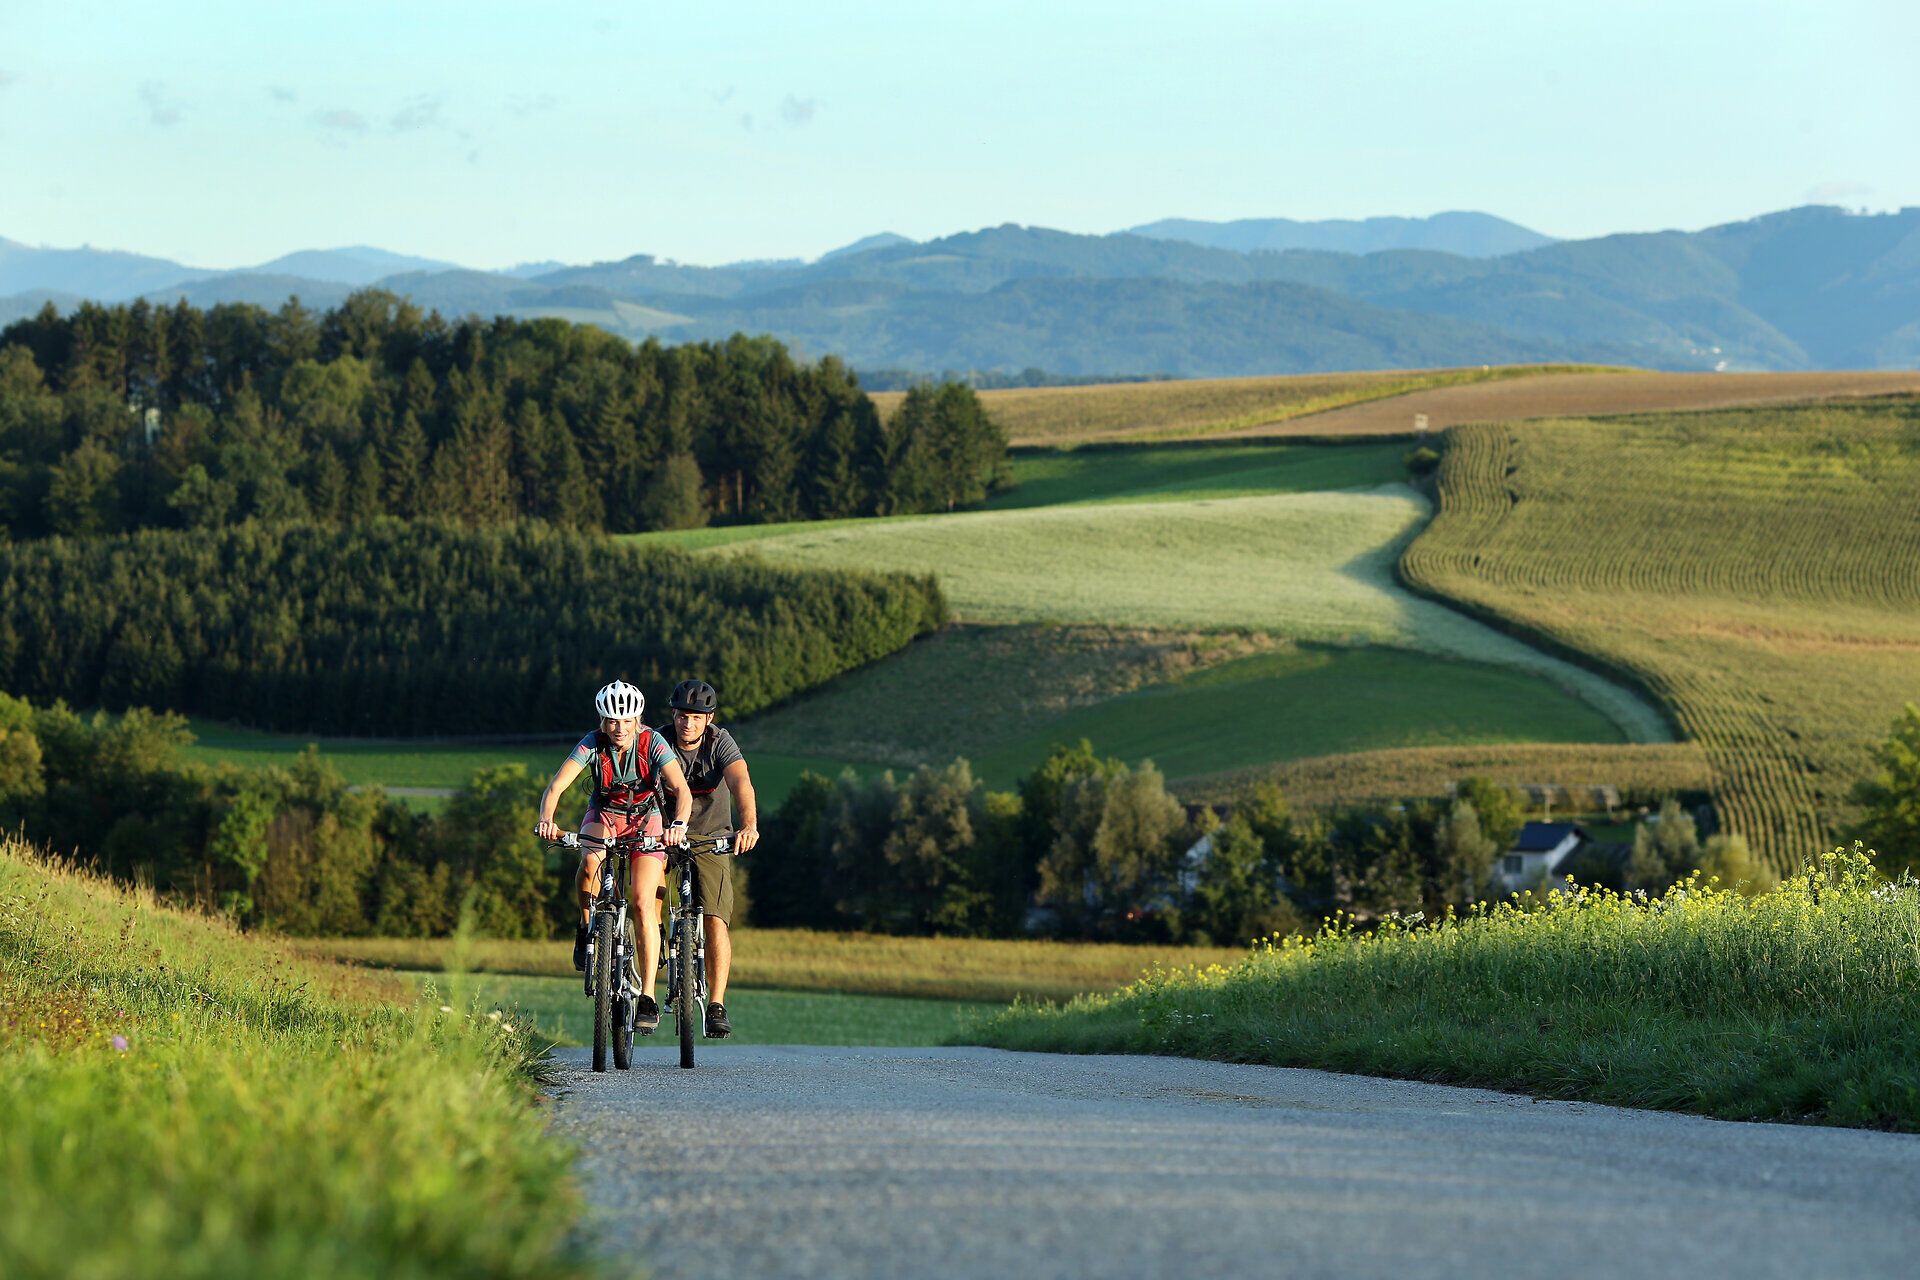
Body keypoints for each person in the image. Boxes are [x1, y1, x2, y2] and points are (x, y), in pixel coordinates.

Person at [536, 679, 692, 1033]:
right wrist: (547, 820)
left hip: (646, 820)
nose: (618, 728)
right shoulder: (592, 743)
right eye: (610, 721)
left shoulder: (654, 742)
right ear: (602, 720)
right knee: (589, 861)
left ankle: (648, 996)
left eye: (625, 721)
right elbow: (557, 785)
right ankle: (585, 920)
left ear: (637, 719)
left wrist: (678, 824)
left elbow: (681, 790)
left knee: (641, 901)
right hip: (604, 815)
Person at [662, 678, 760, 1038]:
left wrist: (748, 826)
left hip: (712, 837)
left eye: (697, 717)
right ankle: (653, 940)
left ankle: (716, 1005)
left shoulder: (720, 742)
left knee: (716, 917)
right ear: (673, 715)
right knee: (648, 894)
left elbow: (740, 782)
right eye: (682, 716)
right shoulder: (657, 742)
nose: (688, 724)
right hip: (663, 832)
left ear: (709, 718)